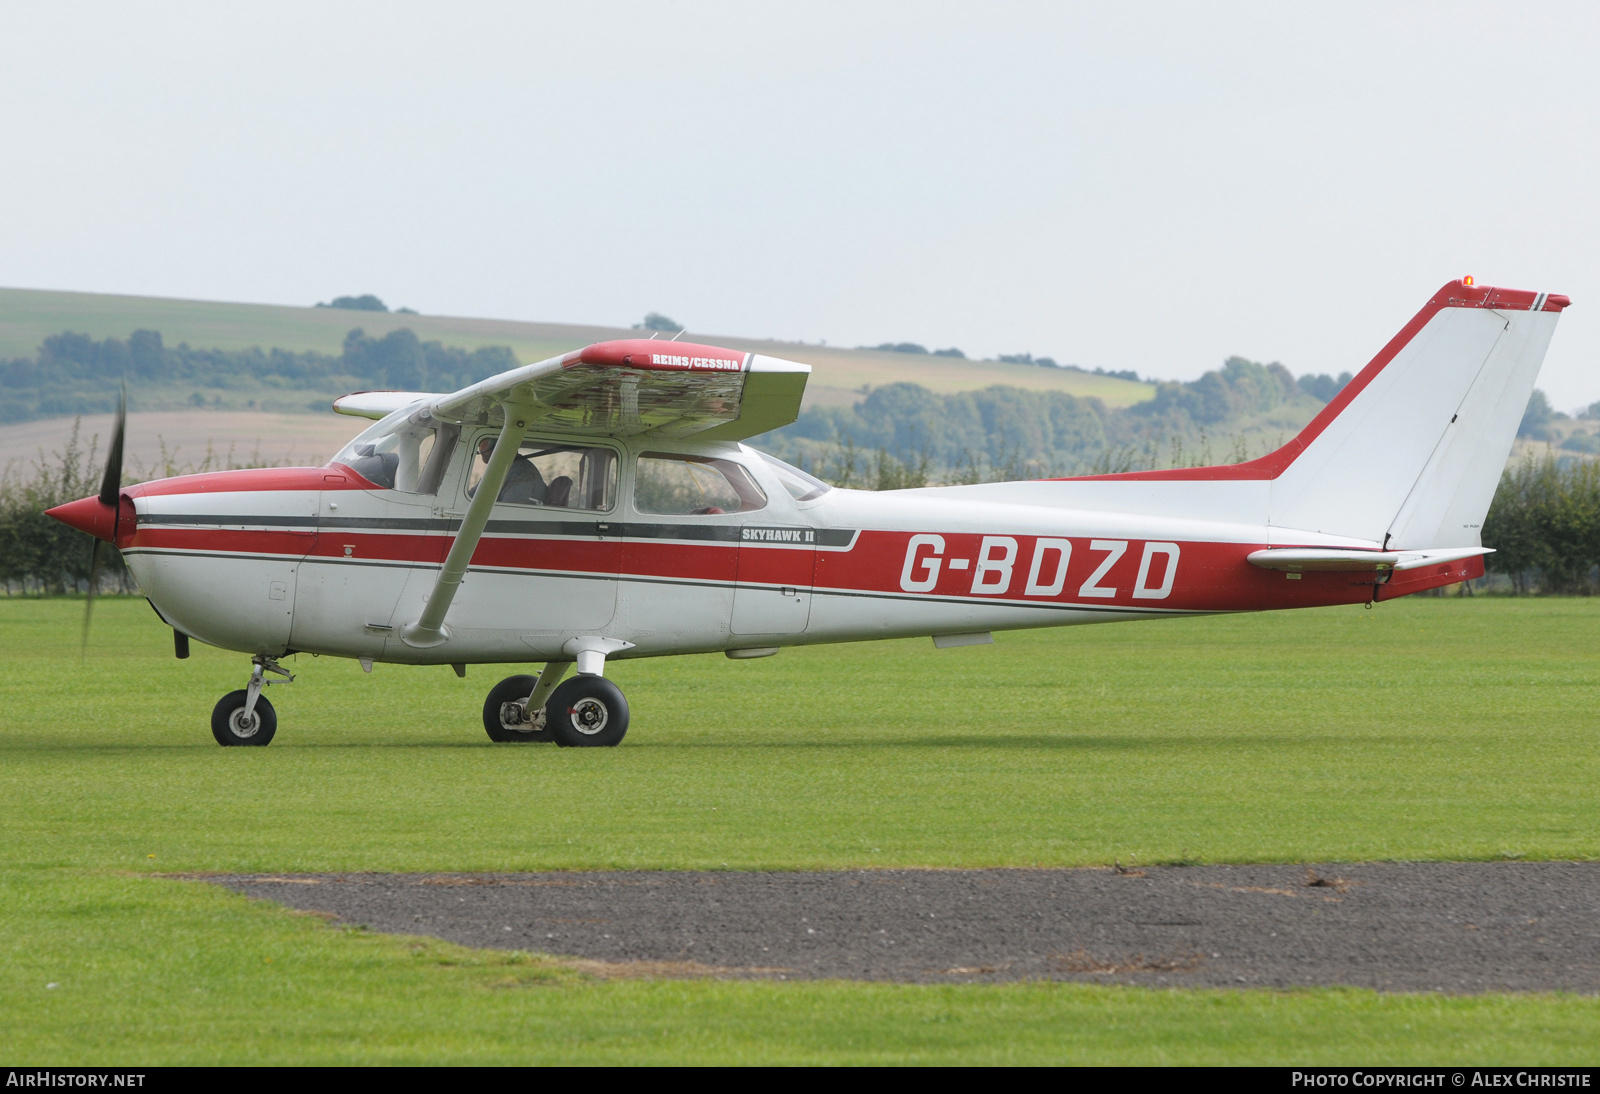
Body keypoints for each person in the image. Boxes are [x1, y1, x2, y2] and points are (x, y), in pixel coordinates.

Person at [469, 437, 545, 504]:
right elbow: (473, 495)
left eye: (482, 441)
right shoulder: (500, 469)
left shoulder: (520, 474)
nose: (479, 446)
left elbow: (511, 510)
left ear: (495, 445)